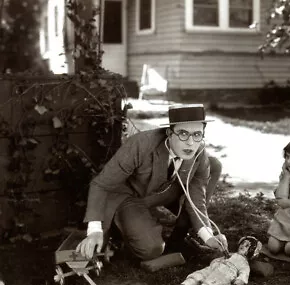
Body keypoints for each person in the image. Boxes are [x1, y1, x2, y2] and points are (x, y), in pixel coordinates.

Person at [76, 104, 228, 261]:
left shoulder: (198, 152)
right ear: (169, 133)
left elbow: (196, 198)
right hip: (131, 196)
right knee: (151, 249)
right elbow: (101, 184)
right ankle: (119, 229)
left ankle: (181, 232)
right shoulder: (141, 144)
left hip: (162, 192)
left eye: (197, 134)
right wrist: (94, 230)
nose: (190, 142)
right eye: (183, 133)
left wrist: (208, 236)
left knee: (213, 165)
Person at [178, 236, 262, 285]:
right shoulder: (230, 254)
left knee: (215, 281)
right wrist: (216, 261)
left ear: (252, 251)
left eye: (247, 246)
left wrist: (240, 280)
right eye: (242, 243)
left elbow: (244, 273)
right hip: (214, 267)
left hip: (225, 274)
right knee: (201, 273)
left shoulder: (245, 264)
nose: (243, 246)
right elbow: (218, 259)